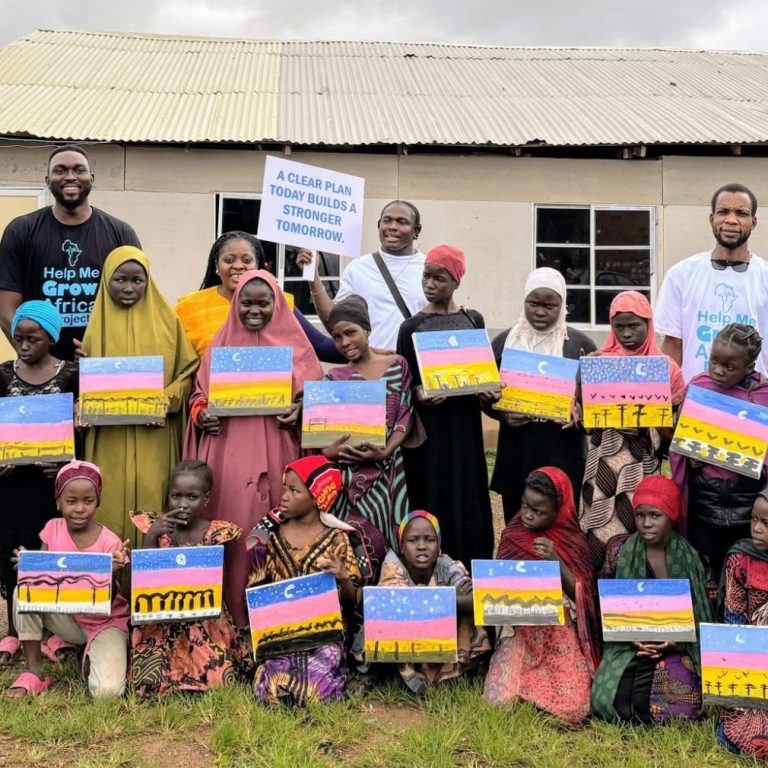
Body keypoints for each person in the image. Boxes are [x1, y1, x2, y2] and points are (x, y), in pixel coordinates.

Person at [185, 270, 323, 627]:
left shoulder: (297, 346)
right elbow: (199, 394)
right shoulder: (221, 344)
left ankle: (276, 621)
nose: (254, 310)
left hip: (280, 451)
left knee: (279, 522)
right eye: (246, 303)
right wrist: (202, 414)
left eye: (263, 303)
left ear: (277, 305)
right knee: (234, 523)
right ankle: (231, 618)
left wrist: (301, 408)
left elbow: (316, 395)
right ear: (235, 304)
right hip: (229, 451)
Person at [80, 246, 199, 548]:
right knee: (107, 500)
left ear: (149, 281)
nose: (129, 288)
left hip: (153, 437)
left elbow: (188, 371)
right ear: (106, 280)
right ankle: (114, 573)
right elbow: (85, 385)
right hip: (110, 439)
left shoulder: (168, 322)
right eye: (120, 279)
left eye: (137, 280)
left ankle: (150, 574)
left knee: (153, 497)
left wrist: (167, 398)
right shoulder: (94, 329)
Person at [396, 244, 495, 566]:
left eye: (439, 278)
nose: (430, 284)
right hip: (430, 433)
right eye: (426, 276)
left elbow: (482, 372)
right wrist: (419, 392)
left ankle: (471, 568)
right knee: (432, 490)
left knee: (467, 491)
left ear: (456, 281)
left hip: (465, 427)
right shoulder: (411, 327)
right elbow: (403, 383)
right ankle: (431, 568)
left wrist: (487, 391)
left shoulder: (472, 320)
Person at [591, 476, 714, 724]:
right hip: (629, 645)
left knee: (684, 707)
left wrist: (674, 641)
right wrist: (632, 637)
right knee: (605, 701)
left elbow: (702, 611)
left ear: (671, 516)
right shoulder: (619, 552)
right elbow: (607, 604)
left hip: (677, 646)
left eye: (655, 515)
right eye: (640, 515)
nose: (646, 523)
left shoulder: (691, 558)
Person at [0, 145, 141, 361]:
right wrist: (42, 360)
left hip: (104, 364)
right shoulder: (21, 231)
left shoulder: (120, 233)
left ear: (91, 178)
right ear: (48, 180)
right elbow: (6, 310)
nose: (70, 176)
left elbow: (139, 305)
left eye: (79, 169)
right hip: (41, 368)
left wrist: (104, 349)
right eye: (60, 170)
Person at [484, 467, 600, 725]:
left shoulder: (572, 540)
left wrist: (556, 561)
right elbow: (498, 588)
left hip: (559, 634)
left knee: (575, 709)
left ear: (560, 510)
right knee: (497, 700)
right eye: (525, 505)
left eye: (539, 511)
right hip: (521, 633)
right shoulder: (513, 534)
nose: (528, 514)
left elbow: (583, 597)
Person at [578, 291, 685, 570]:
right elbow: (583, 420)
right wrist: (581, 379)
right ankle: (597, 592)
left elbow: (675, 428)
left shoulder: (667, 369)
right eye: (619, 326)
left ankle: (635, 590)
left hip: (642, 466)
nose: (626, 333)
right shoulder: (599, 362)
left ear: (649, 324)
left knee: (642, 530)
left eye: (634, 325)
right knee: (598, 533)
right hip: (603, 466)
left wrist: (650, 423)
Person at [6, 460, 130, 697]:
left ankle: (92, 653)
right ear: (58, 502)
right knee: (24, 590)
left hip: (104, 623)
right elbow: (42, 579)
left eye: (88, 501)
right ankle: (34, 672)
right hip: (69, 617)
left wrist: (111, 572)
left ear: (98, 501)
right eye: (71, 501)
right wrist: (28, 566)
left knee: (107, 693)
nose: (80, 508)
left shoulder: (109, 542)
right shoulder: (52, 528)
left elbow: (109, 601)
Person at [248, 456, 362, 706]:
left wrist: (343, 576)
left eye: (294, 491)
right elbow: (256, 590)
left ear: (317, 498)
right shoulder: (270, 536)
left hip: (324, 632)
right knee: (271, 687)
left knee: (317, 686)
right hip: (279, 631)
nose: (284, 496)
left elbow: (352, 601)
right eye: (285, 489)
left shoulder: (337, 539)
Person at [0, 301, 78, 665]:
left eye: (33, 338)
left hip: (54, 487)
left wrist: (65, 464)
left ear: (51, 338)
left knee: (52, 549)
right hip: (12, 485)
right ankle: (14, 631)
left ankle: (53, 629)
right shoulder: (3, 375)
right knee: (12, 551)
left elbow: (82, 427)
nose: (24, 345)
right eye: (19, 338)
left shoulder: (71, 375)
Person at [129, 460, 247, 698]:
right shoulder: (156, 529)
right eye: (176, 496)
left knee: (220, 680)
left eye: (192, 497)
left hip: (203, 618)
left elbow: (217, 583)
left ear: (206, 498)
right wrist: (152, 536)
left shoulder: (216, 533)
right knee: (146, 684)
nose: (182, 504)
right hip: (162, 615)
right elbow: (143, 579)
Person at [487, 267, 596, 522]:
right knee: (517, 523)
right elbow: (483, 395)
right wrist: (503, 415)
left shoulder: (579, 345)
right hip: (518, 453)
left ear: (563, 305)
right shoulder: (504, 343)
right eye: (533, 303)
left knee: (564, 525)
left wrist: (578, 416)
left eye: (550, 306)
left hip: (564, 454)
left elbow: (595, 401)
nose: (540, 311)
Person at [671, 323, 768, 577]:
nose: (718, 370)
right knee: (706, 569)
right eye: (713, 361)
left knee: (742, 568)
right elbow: (680, 447)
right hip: (704, 498)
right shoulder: (699, 386)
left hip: (746, 500)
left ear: (750, 367)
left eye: (729, 367)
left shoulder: (764, 395)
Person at [324, 294, 413, 548]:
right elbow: (323, 437)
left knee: (393, 537)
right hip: (350, 477)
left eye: (350, 333)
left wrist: (385, 450)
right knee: (356, 543)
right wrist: (331, 452)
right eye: (337, 337)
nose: (344, 342)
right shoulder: (334, 378)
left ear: (367, 329)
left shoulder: (397, 365)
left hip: (391, 472)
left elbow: (406, 414)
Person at [656, 183, 768, 382]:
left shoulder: (764, 276)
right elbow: (672, 345)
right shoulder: (681, 275)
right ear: (711, 219)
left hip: (752, 397)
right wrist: (666, 393)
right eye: (723, 212)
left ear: (753, 222)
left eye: (741, 213)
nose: (731, 220)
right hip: (694, 395)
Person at [175, 231, 343, 362]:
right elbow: (178, 365)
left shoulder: (279, 302)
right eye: (229, 260)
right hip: (210, 397)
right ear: (216, 266)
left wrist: (358, 346)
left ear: (259, 266)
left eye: (247, 260)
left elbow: (322, 347)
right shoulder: (188, 308)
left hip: (274, 396)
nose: (238, 266)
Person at [377, 510, 490, 693]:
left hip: (441, 638)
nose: (422, 546)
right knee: (379, 616)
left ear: (438, 546)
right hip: (408, 639)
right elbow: (395, 604)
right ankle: (387, 675)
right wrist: (450, 599)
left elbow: (476, 600)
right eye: (413, 540)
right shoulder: (393, 565)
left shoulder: (446, 564)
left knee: (469, 615)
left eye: (429, 540)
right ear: (402, 546)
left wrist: (444, 602)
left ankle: (456, 672)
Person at [304, 201, 427, 349]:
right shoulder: (358, 268)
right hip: (372, 363)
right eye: (387, 221)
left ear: (416, 230)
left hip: (418, 362)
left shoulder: (430, 269)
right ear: (379, 225)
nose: (392, 227)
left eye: (402, 222)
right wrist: (313, 277)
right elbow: (335, 321)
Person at [716, 491, 768, 759]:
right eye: (753, 519)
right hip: (752, 659)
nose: (757, 528)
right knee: (739, 730)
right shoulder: (740, 559)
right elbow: (734, 623)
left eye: (766, 523)